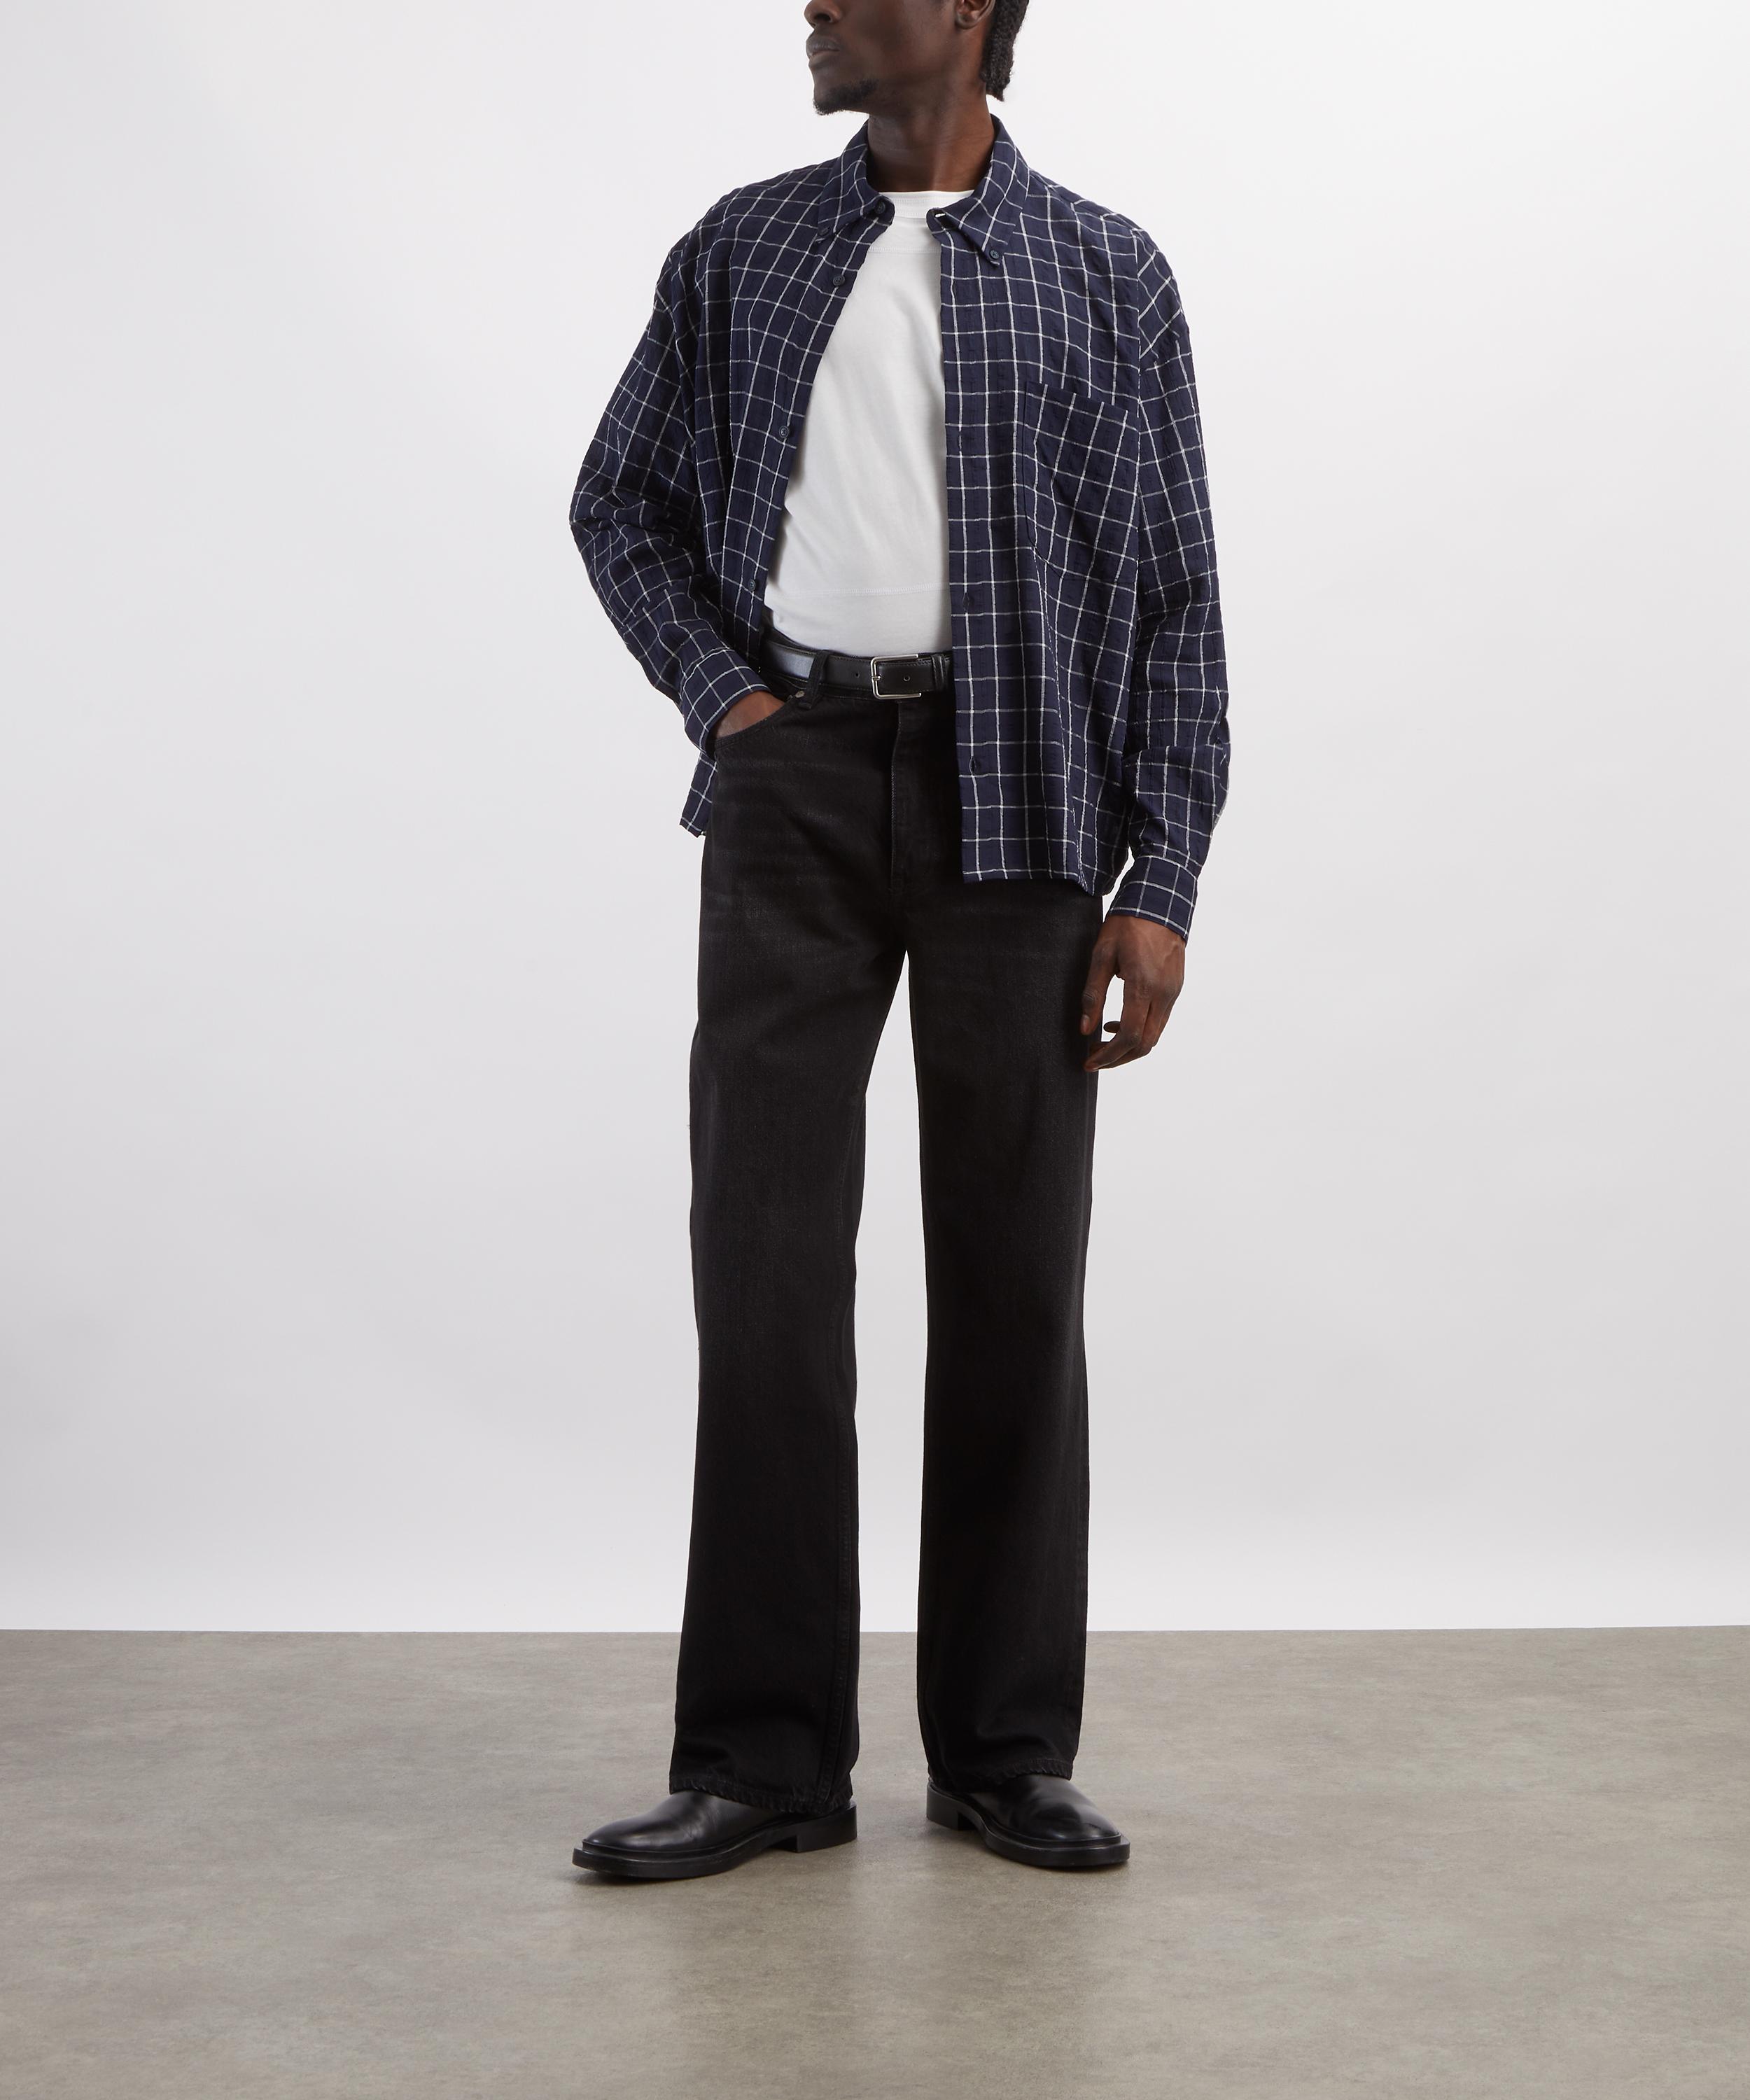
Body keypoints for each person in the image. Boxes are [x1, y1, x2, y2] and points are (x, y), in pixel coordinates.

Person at [567, 0, 1228, 1880]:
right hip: (793, 786)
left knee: (1015, 1282)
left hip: (1027, 799)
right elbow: (618, 503)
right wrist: (729, 703)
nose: (815, 5)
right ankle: (763, 1762)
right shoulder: (744, 248)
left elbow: (1177, 593)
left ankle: (1004, 1755)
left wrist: (1162, 881)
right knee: (766, 1275)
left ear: (966, 11)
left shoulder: (1107, 272)